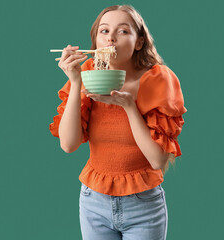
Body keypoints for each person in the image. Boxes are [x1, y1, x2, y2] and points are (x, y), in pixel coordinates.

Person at [49, 4, 187, 240]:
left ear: (139, 42)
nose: (111, 37)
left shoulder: (158, 78)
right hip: (93, 202)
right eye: (104, 31)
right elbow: (68, 145)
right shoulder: (89, 72)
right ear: (95, 40)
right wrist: (75, 82)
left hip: (143, 204)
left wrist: (128, 106)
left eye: (123, 31)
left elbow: (157, 160)